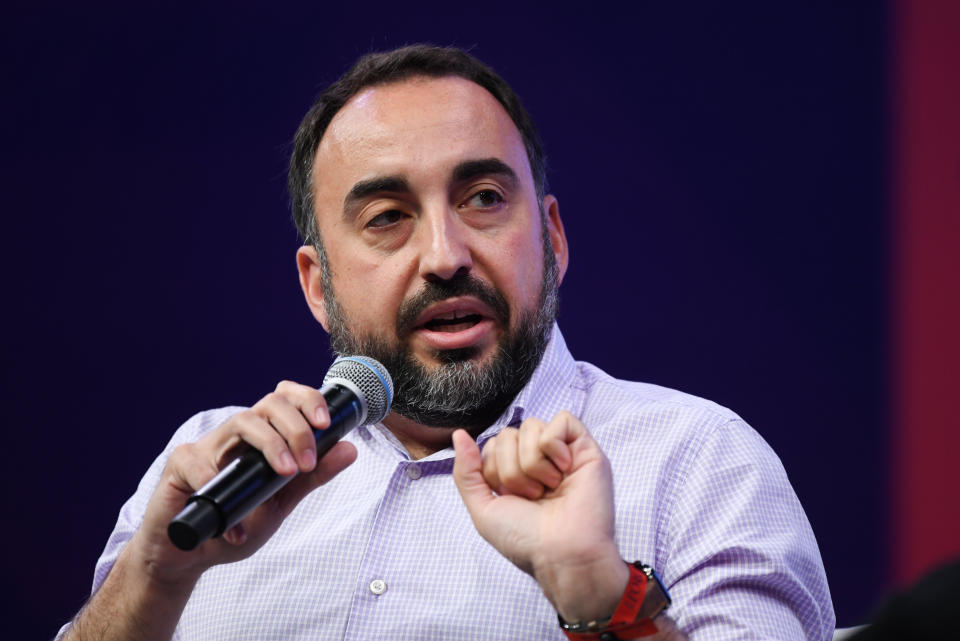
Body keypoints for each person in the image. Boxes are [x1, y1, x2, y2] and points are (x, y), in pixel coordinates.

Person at [58, 45, 834, 641]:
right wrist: (157, 576)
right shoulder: (208, 472)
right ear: (317, 286)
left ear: (554, 239)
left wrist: (603, 598)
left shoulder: (697, 460)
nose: (444, 254)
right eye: (387, 216)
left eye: (484, 199)